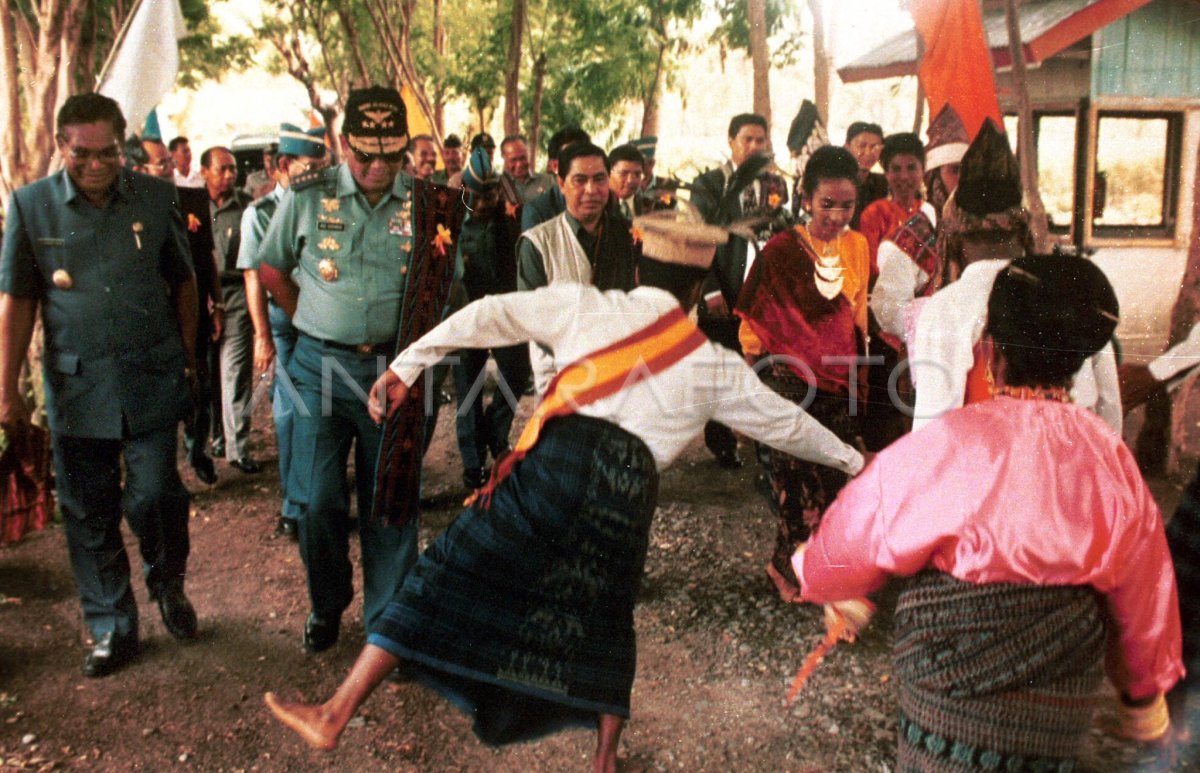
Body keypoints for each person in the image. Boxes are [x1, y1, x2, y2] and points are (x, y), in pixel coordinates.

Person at [264, 212, 865, 772]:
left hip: (559, 464)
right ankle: (604, 761)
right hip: (629, 494)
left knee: (447, 569)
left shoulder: (584, 306)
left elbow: (487, 314)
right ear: (697, 283)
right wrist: (853, 460)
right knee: (604, 618)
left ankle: (335, 711)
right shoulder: (714, 363)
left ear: (637, 266)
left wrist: (407, 366)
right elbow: (785, 423)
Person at [793, 256, 1183, 769]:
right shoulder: (1109, 457)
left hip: (944, 681)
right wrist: (1143, 694)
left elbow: (866, 524)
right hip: (1055, 697)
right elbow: (1144, 579)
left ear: (991, 351)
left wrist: (817, 571)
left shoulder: (949, 443)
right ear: (1082, 363)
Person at [0, 94, 200, 676]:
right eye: (82, 153)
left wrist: (187, 355)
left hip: (151, 378)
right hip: (77, 386)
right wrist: (7, 389)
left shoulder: (156, 195)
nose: (95, 164)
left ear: (123, 145)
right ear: (62, 145)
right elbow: (18, 302)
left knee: (156, 494)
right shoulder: (31, 206)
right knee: (88, 511)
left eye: (107, 152)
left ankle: (168, 583)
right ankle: (113, 623)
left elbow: (184, 281)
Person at [256, 86, 438, 653]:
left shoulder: (428, 204)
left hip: (395, 369)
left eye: (391, 155)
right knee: (316, 502)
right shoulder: (307, 197)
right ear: (342, 145)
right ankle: (327, 603)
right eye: (365, 155)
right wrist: (309, 319)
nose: (379, 167)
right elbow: (271, 268)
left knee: (391, 500)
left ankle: (387, 622)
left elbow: (439, 290)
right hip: (318, 368)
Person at [907, 121, 1121, 434]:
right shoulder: (1068, 292)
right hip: (1070, 465)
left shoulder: (944, 308)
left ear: (953, 240)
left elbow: (931, 429)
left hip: (983, 472)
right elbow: (1109, 412)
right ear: (1022, 232)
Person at [735, 145, 869, 602]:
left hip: (841, 381)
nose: (836, 215)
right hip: (787, 384)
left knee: (836, 480)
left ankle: (811, 567)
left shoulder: (858, 246)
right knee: (794, 486)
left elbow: (859, 316)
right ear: (806, 198)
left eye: (846, 205)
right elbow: (753, 325)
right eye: (826, 204)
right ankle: (787, 567)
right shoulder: (780, 250)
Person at [239, 123, 329, 540]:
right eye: (310, 166)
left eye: (323, 166)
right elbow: (256, 277)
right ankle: (295, 507)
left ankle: (319, 495)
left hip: (324, 320)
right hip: (287, 324)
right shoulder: (259, 214)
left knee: (324, 410)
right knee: (292, 411)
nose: (318, 174)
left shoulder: (326, 205)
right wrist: (262, 336)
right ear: (282, 167)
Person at [517, 142, 637, 394]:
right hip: (560, 377)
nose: (591, 190)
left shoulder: (628, 235)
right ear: (561, 184)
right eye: (579, 180)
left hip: (618, 372)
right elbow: (534, 320)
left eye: (599, 179)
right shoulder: (538, 243)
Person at [689, 112, 771, 469]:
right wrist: (709, 291)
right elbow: (696, 238)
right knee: (721, 367)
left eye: (760, 140)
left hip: (762, 294)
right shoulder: (708, 184)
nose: (754, 147)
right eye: (747, 140)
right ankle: (721, 441)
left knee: (762, 364)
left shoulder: (772, 186)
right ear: (731, 142)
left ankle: (761, 439)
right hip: (722, 290)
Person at [452, 148, 531, 489]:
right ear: (465, 192)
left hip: (506, 317)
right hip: (467, 319)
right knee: (468, 389)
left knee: (515, 375)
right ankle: (474, 464)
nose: (484, 203)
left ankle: (496, 437)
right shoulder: (451, 223)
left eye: (491, 194)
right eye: (477, 196)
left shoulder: (513, 220)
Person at [199, 146, 261, 475]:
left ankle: (238, 448)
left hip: (236, 293)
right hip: (200, 298)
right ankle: (215, 438)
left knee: (235, 372)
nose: (229, 175)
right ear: (204, 171)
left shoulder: (246, 208)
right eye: (222, 169)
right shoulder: (191, 207)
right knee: (206, 375)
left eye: (232, 169)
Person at [520, 126, 591, 232]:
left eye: (586, 156)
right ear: (554, 166)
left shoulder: (603, 200)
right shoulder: (537, 211)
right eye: (572, 157)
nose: (580, 163)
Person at [843, 121, 886, 230]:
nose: (868, 152)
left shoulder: (883, 183)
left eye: (875, 147)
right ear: (847, 146)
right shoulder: (836, 182)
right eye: (862, 146)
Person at [499, 134, 555, 204]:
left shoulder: (547, 181)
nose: (519, 164)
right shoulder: (498, 186)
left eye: (523, 158)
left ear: (528, 154)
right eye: (513, 160)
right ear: (504, 158)